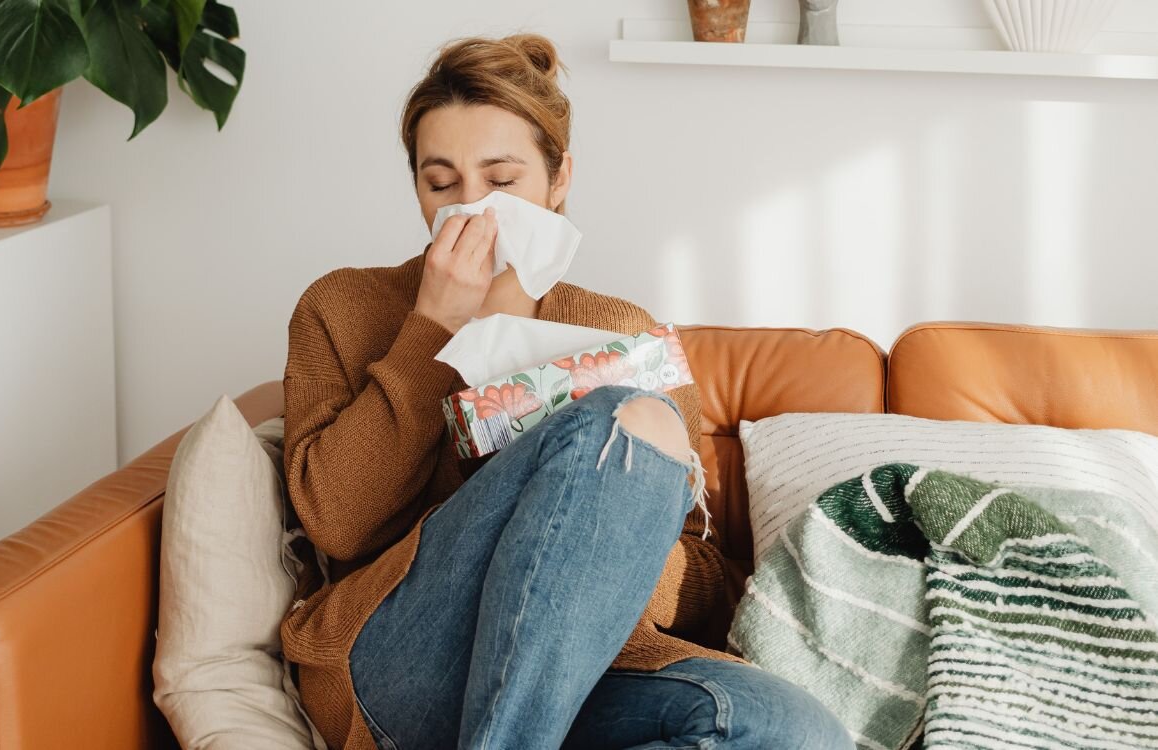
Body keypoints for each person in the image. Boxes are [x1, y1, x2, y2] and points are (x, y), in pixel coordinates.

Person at [279, 32, 853, 750]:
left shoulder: (622, 332)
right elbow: (338, 523)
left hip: (586, 674)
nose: (471, 209)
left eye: (501, 179)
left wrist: (598, 521)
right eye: (441, 182)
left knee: (797, 731)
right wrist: (435, 328)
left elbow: (705, 574)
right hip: (398, 661)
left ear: (558, 181)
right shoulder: (342, 307)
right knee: (617, 422)